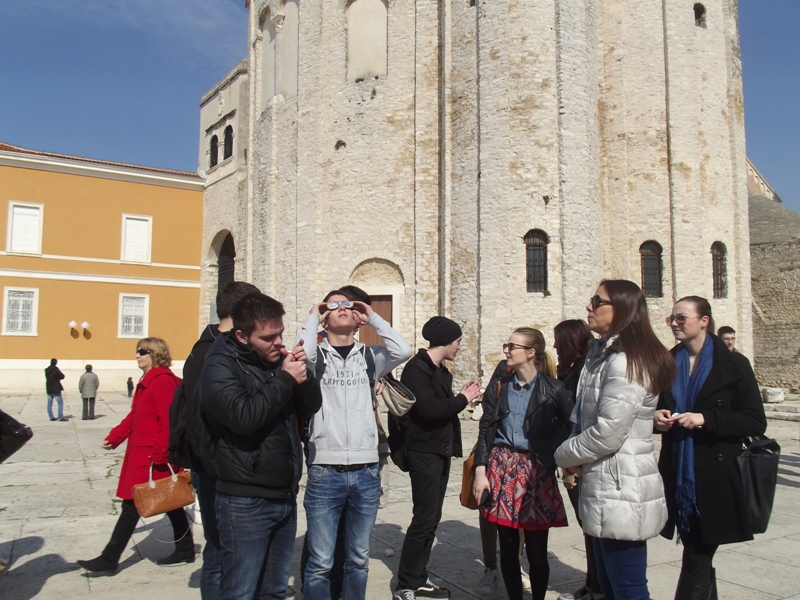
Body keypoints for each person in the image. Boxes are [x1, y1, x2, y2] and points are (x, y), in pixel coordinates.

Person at [554, 280, 676, 600]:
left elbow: (608, 432)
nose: (589, 307)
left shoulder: (625, 362)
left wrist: (563, 455)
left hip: (621, 487)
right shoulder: (603, 356)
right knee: (608, 587)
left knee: (628, 589)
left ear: (621, 309)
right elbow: (583, 417)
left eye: (598, 301)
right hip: (603, 483)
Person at [200, 293, 321, 599]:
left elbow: (312, 405)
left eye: (280, 333)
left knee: (274, 591)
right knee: (241, 591)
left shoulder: (276, 359)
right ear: (242, 336)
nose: (278, 342)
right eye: (268, 337)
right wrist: (284, 380)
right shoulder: (218, 365)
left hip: (282, 494)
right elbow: (243, 416)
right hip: (244, 500)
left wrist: (302, 375)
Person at [299, 289, 412, 600]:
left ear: (357, 319)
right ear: (325, 317)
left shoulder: (370, 358)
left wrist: (373, 317)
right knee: (321, 562)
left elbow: (404, 350)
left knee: (359, 560)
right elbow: (303, 352)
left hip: (365, 470)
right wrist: (313, 315)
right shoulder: (316, 357)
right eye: (333, 305)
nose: (341, 308)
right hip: (325, 469)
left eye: (347, 305)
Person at [655, 296, 766, 600]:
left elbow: (755, 421)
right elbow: (657, 408)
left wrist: (706, 418)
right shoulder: (669, 361)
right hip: (678, 473)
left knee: (697, 559)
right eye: (672, 319)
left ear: (704, 321)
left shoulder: (733, 364)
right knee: (698, 556)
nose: (675, 324)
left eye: (682, 318)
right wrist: (658, 418)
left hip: (715, 476)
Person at [472, 327, 574, 600]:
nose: (506, 350)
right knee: (506, 547)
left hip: (535, 472)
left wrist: (561, 463)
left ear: (531, 353)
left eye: (512, 346)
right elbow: (486, 429)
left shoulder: (555, 390)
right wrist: (480, 471)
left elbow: (572, 427)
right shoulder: (500, 386)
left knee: (537, 552)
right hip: (501, 468)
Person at [77, 338, 193, 573]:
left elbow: (168, 421)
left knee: (132, 506)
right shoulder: (148, 382)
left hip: (153, 457)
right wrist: (116, 437)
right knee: (171, 503)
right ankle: (185, 549)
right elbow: (135, 416)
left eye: (142, 351)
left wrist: (161, 454)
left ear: (156, 354)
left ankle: (109, 558)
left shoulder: (161, 382)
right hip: (144, 455)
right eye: (137, 351)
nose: (137, 355)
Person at [393, 317, 482, 600]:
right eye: (457, 342)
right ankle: (406, 583)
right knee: (423, 518)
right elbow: (429, 410)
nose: (459, 347)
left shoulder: (440, 370)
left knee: (432, 518)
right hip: (423, 452)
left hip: (439, 451)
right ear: (445, 341)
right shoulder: (416, 370)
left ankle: (419, 576)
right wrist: (463, 399)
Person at [181, 281, 260, 599]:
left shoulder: (207, 348)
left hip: (217, 467)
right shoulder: (214, 355)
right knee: (224, 551)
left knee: (222, 549)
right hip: (221, 470)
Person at [553, 320, 602, 600]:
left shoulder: (583, 370)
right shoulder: (574, 369)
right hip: (571, 458)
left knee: (592, 526)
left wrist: (574, 463)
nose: (556, 348)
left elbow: (579, 419)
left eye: (560, 343)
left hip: (579, 461)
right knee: (588, 526)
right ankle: (593, 583)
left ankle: (597, 587)